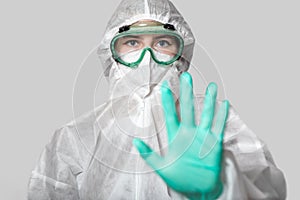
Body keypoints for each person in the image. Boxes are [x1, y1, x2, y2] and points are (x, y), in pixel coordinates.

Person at [28, 0, 287, 199]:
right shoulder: (74, 138)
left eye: (162, 42)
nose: (148, 57)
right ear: (111, 54)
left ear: (181, 55)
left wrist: (223, 186)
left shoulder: (215, 122)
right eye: (131, 43)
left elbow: (269, 192)